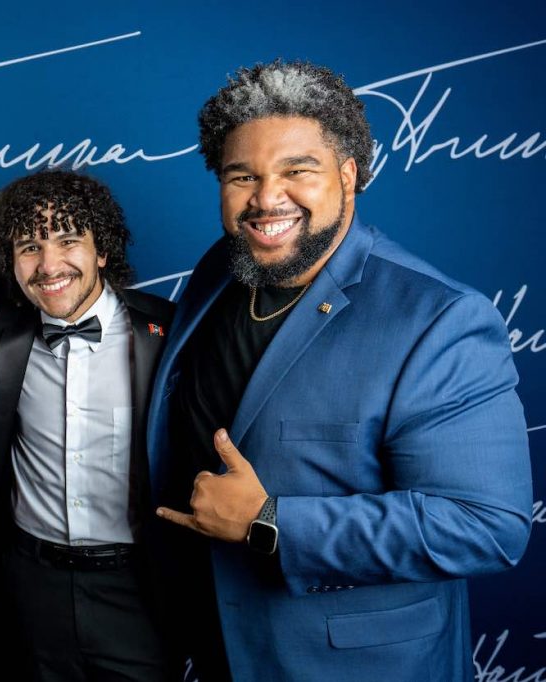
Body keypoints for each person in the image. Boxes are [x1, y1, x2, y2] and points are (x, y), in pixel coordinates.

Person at [149, 60, 533, 681]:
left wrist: (269, 522)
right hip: (214, 643)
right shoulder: (222, 269)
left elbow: (485, 525)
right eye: (242, 175)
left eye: (297, 170)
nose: (267, 198)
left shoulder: (440, 318)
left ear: (349, 175)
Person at [0, 170, 176, 681]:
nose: (49, 265)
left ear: (102, 250)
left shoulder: (169, 335)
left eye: (68, 240)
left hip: (138, 588)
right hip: (29, 584)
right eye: (29, 246)